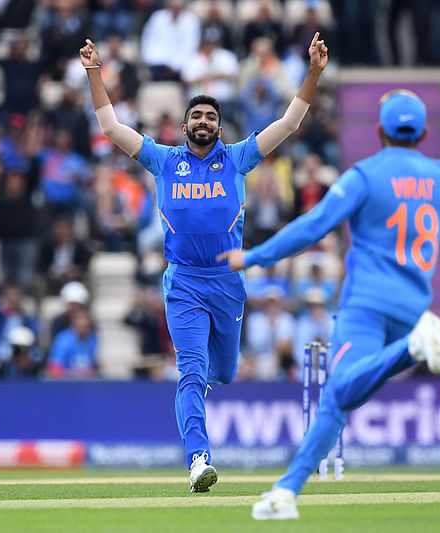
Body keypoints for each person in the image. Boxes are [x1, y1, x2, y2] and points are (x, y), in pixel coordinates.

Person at [219, 73, 440, 519]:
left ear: (379, 131)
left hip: (367, 305)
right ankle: (285, 493)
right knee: (338, 397)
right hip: (415, 306)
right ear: (426, 133)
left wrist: (254, 256)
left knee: (337, 393)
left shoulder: (365, 176)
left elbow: (314, 226)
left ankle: (287, 490)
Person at [79, 32, 328, 493]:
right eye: (196, 115)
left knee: (225, 372)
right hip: (184, 283)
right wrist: (95, 71)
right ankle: (198, 461)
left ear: (219, 126)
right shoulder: (163, 159)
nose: (203, 121)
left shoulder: (237, 157)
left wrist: (313, 71)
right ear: (185, 123)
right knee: (191, 370)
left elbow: (290, 123)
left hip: (228, 282)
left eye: (211, 116)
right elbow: (112, 127)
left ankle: (202, 389)